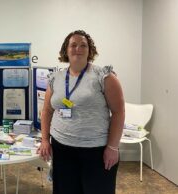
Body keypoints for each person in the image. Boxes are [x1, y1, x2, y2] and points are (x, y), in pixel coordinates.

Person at [38, 30, 125, 194]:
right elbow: (47, 110)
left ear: (90, 50)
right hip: (62, 148)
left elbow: (119, 112)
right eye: (73, 45)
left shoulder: (104, 76)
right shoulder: (55, 78)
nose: (78, 48)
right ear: (66, 50)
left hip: (96, 151)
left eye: (83, 45)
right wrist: (45, 140)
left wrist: (113, 147)